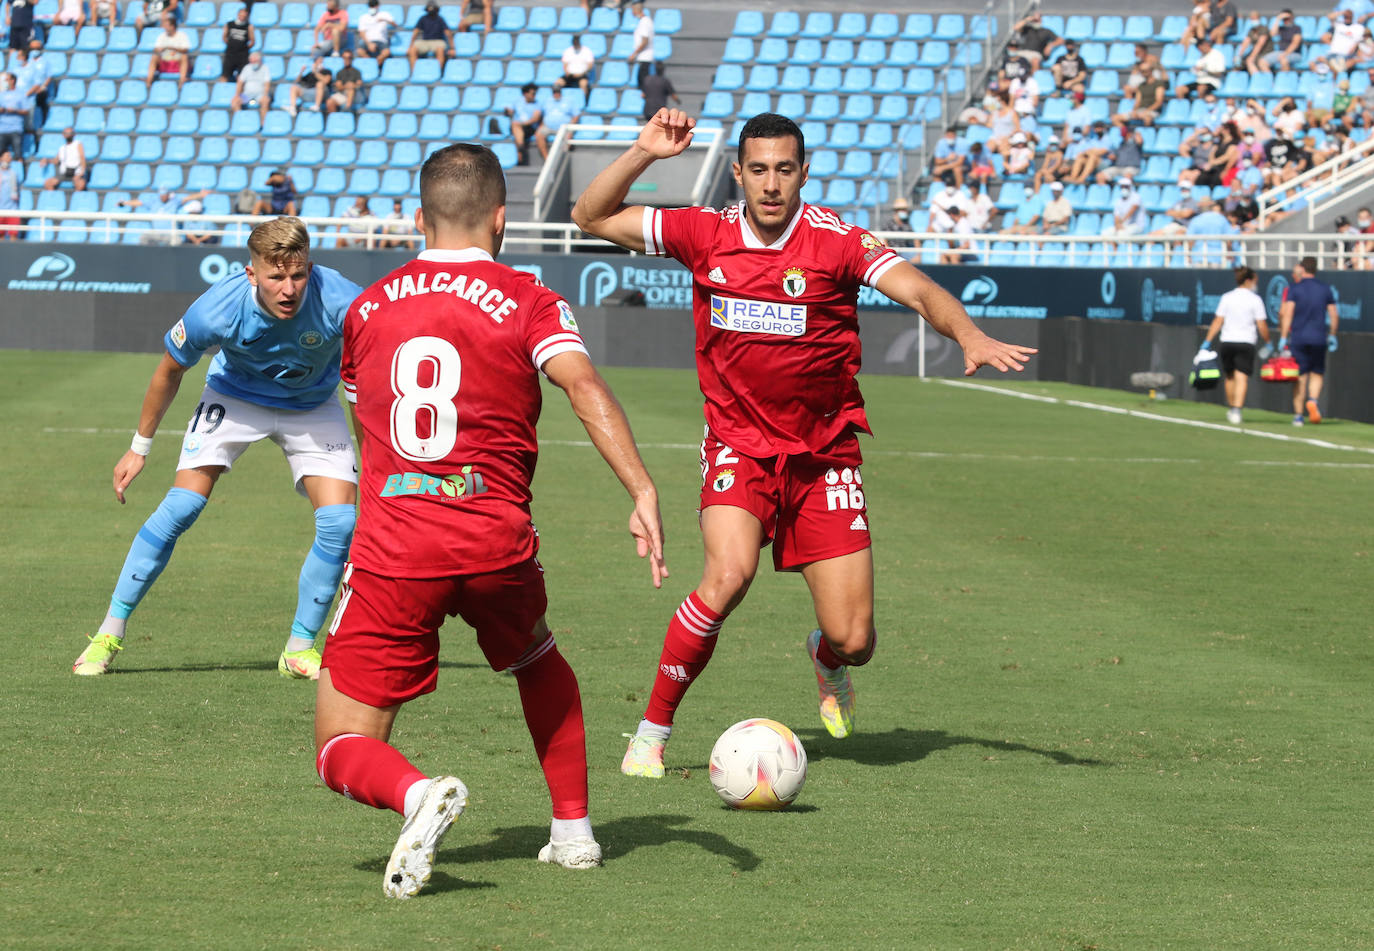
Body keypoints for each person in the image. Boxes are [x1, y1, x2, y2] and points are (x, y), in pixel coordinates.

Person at [571, 110, 1036, 776]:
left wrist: (967, 334)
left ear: (803, 173)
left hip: (823, 456)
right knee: (727, 575)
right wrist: (644, 153)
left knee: (856, 637)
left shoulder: (838, 242)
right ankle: (651, 731)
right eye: (757, 169)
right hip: (738, 445)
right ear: (737, 173)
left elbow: (920, 290)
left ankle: (824, 657)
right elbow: (590, 216)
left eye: (784, 169)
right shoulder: (703, 232)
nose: (770, 184)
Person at [315, 143, 666, 896]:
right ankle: (573, 835)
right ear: (501, 220)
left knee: (339, 744)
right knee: (539, 660)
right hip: (494, 541)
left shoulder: (367, 310)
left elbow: (364, 416)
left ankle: (415, 794)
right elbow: (584, 387)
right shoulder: (530, 299)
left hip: (396, 548)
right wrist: (640, 486)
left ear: (418, 218)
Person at [72, 217, 363, 680]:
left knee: (340, 521)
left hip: (311, 403)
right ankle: (109, 632)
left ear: (311, 266)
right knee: (182, 506)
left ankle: (299, 648)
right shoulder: (218, 309)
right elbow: (169, 371)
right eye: (276, 277)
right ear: (252, 274)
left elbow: (369, 375)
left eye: (299, 274)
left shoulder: (343, 300)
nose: (289, 289)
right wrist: (139, 448)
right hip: (235, 397)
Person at [1201, 266, 1270, 424]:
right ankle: (1236, 409)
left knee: (1230, 376)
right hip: (1245, 342)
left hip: (1228, 341)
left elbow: (1218, 321)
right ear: (1248, 280)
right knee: (1241, 377)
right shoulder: (1255, 300)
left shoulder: (1227, 297)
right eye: (1254, 281)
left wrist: (1208, 340)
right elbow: (1261, 325)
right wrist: (1268, 342)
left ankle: (1233, 407)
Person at [1278, 256, 1339, 425]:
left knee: (1301, 376)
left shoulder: (1295, 289)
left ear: (1302, 269)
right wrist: (1333, 334)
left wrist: (1283, 337)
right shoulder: (1325, 289)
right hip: (1319, 337)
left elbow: (1287, 313)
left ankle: (1298, 415)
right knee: (1317, 373)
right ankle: (1313, 400)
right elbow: (1334, 314)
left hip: (1299, 337)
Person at [145, 13, 192, 90]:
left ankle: (181, 81)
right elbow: (156, 48)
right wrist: (161, 49)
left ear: (172, 26)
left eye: (167, 26)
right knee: (154, 57)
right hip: (165, 60)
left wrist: (173, 48)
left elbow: (185, 49)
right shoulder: (162, 36)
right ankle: (149, 81)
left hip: (177, 60)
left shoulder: (182, 35)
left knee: (184, 57)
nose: (165, 28)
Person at [504, 82, 543, 165]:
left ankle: (520, 151)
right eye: (533, 93)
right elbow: (510, 112)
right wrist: (507, 111)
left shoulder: (537, 104)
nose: (534, 95)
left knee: (515, 126)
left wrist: (523, 124)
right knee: (516, 126)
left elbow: (535, 119)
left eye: (535, 93)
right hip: (518, 127)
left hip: (529, 127)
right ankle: (521, 148)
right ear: (525, 94)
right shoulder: (518, 101)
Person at [408, 1, 454, 70]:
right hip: (425, 42)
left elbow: (448, 33)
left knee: (440, 50)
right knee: (412, 50)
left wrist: (452, 48)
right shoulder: (423, 18)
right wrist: (410, 46)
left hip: (438, 41)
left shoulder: (440, 19)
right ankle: (414, 71)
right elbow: (415, 32)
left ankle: (437, 71)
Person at [229, 50, 271, 122]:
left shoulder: (265, 68)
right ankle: (241, 122)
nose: (253, 63)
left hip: (260, 95)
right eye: (252, 61)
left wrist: (265, 95)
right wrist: (237, 95)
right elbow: (240, 83)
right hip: (247, 95)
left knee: (265, 101)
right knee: (234, 102)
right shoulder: (246, 68)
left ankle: (263, 124)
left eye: (255, 61)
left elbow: (267, 83)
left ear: (259, 60)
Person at [535, 84, 579, 154]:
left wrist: (571, 126)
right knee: (538, 134)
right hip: (548, 126)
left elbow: (576, 115)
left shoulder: (568, 101)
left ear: (560, 92)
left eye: (558, 92)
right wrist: (541, 124)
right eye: (554, 92)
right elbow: (541, 114)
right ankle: (547, 159)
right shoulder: (547, 101)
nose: (556, 94)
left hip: (564, 127)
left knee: (568, 136)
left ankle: (562, 157)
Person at [40, 125, 86, 190]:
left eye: (70, 133)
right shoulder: (62, 148)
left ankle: (75, 199)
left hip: (76, 172)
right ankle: (55, 199)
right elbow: (56, 160)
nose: (68, 135)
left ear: (74, 135)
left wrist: (81, 173)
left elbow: (82, 157)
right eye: (66, 133)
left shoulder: (78, 144)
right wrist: (47, 160)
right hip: (63, 173)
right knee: (48, 183)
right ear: (63, 135)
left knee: (80, 184)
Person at [220, 5, 254, 83]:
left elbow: (252, 41)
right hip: (230, 54)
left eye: (244, 15)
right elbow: (224, 37)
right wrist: (232, 45)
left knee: (241, 76)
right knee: (225, 75)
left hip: (242, 56)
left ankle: (239, 94)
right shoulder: (229, 24)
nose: (242, 16)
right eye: (241, 14)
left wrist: (243, 47)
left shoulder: (249, 26)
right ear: (238, 14)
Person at [355, 0, 396, 65]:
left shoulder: (384, 14)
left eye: (374, 6)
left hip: (381, 41)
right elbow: (361, 32)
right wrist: (369, 44)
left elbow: (395, 25)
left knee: (386, 52)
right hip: (368, 41)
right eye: (371, 6)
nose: (372, 8)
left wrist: (385, 19)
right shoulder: (363, 17)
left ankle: (375, 64)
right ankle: (371, 64)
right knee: (359, 51)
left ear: (378, 6)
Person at [0, 72, 26, 174]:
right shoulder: (1, 94)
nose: (4, 82)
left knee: (18, 154)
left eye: (6, 80)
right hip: (2, 129)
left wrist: (14, 111)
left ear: (12, 81)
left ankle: (19, 175)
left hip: (15, 128)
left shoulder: (20, 94)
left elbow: (26, 111)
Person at [325, 48, 363, 114]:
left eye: (349, 57)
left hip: (355, 95)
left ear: (352, 59)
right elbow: (339, 87)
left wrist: (350, 85)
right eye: (345, 58)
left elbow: (359, 85)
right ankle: (334, 120)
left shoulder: (357, 72)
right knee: (329, 102)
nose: (347, 59)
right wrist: (347, 86)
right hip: (343, 94)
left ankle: (347, 109)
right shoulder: (339, 73)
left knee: (350, 88)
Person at [628, 0, 655, 89]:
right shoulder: (644, 21)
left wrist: (634, 54)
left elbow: (644, 41)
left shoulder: (644, 22)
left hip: (645, 57)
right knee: (641, 81)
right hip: (643, 57)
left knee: (643, 83)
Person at [0, 148, 20, 240]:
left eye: (10, 156)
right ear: (1, 158)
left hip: (12, 209)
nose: (9, 158)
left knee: (13, 235)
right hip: (1, 209)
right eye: (7, 156)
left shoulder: (14, 173)